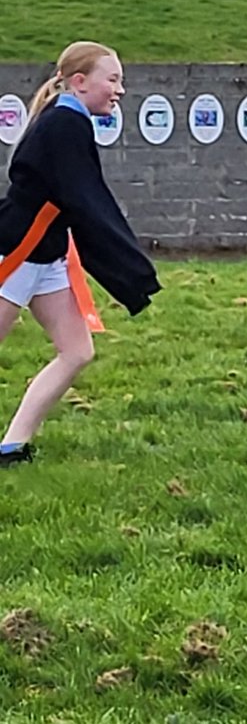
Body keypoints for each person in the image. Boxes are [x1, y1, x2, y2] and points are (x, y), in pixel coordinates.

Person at [0, 41, 161, 467]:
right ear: (79, 81)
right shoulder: (65, 124)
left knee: (76, 351)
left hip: (47, 252)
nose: (120, 89)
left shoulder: (68, 120)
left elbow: (80, 200)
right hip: (17, 250)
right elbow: (87, 200)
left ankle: (12, 447)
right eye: (113, 79)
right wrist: (132, 269)